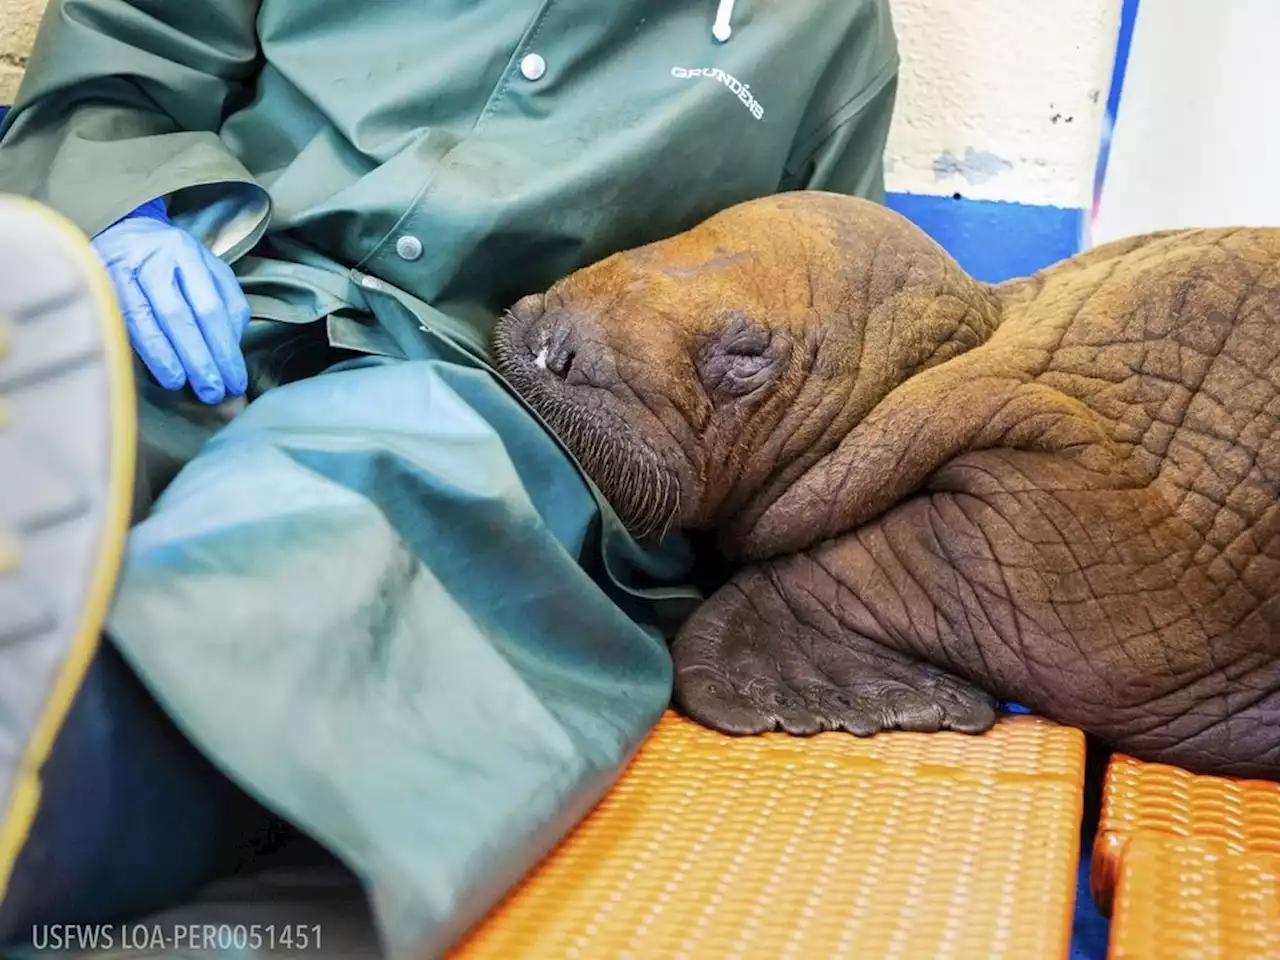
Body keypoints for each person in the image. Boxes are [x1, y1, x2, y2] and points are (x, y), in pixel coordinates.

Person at [0, 1, 899, 954]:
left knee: (335, 500)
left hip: (503, 397)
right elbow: (127, 49)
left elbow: (834, 344)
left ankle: (66, 793)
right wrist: (129, 214)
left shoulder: (825, 29)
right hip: (222, 289)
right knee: (77, 401)